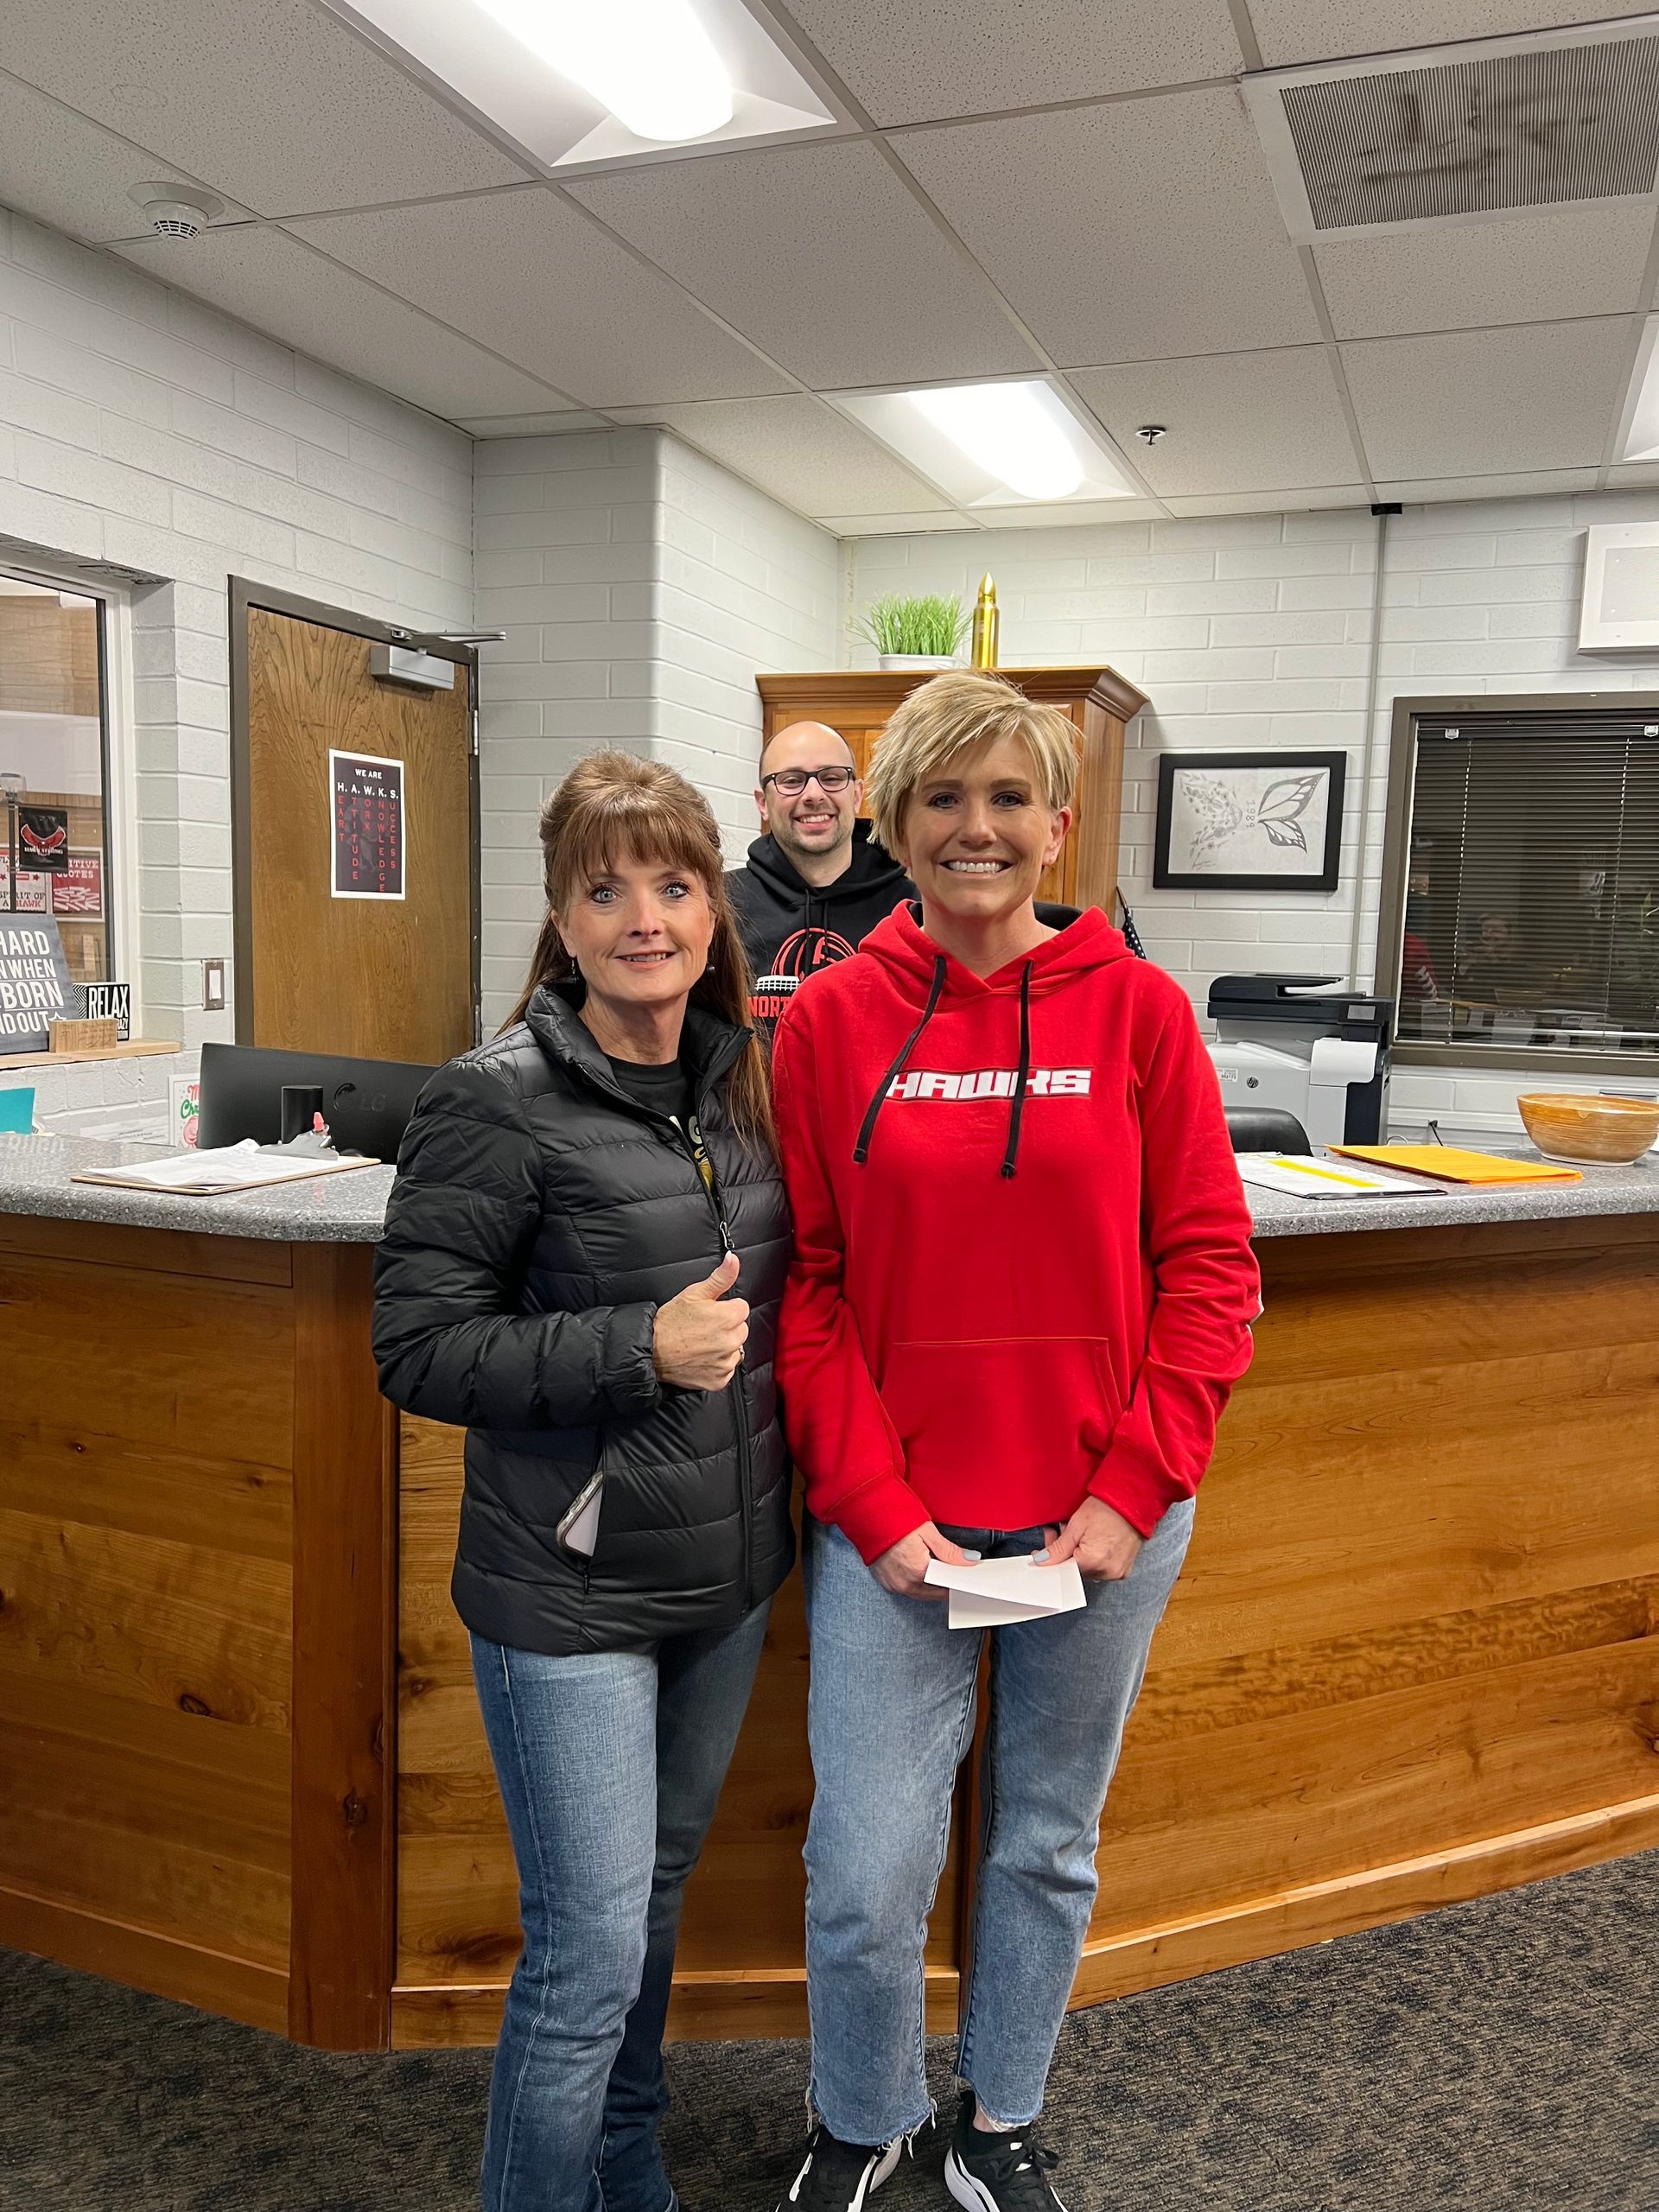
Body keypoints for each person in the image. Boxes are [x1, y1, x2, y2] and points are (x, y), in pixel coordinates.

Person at [767, 671, 1261, 2212]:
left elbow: (1211, 1272)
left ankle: (1002, 2114)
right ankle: (865, 2118)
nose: (974, 831)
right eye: (941, 799)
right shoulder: (832, 1021)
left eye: (1005, 800)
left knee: (1046, 1845)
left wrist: (1129, 1494)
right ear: (894, 824)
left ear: (1057, 823)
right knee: (862, 1872)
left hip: (1098, 1526)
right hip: (897, 1526)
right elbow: (815, 1288)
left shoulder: (1140, 1013)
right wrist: (871, 1501)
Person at [372, 751, 791, 2212]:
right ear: (559, 917)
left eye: (673, 884)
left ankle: (627, 2161)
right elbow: (420, 1352)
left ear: (709, 907)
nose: (644, 918)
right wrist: (639, 1346)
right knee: (587, 1952)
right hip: (570, 1592)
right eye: (604, 889)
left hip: (726, 1578)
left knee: (654, 1902)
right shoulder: (491, 1103)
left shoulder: (747, 1079)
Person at [727, 718, 912, 1033]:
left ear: (856, 795)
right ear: (763, 804)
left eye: (831, 777)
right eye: (790, 780)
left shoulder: (912, 909)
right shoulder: (721, 905)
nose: (813, 794)